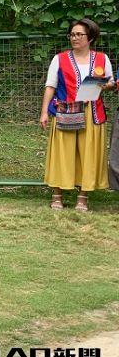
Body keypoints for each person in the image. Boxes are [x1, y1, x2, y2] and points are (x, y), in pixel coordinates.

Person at [40, 18, 112, 212]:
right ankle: (57, 194)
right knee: (62, 152)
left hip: (92, 112)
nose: (74, 38)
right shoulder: (60, 58)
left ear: (90, 37)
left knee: (88, 154)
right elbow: (50, 86)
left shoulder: (102, 59)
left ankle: (83, 196)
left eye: (79, 34)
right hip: (66, 111)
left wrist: (107, 85)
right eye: (72, 34)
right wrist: (44, 112)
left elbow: (110, 82)